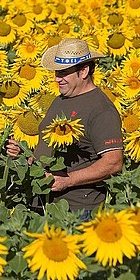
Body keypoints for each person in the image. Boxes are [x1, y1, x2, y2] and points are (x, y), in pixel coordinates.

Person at [34, 38, 124, 215]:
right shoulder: (61, 99)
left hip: (77, 209)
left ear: (83, 72)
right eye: (56, 72)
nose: (57, 79)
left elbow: (113, 162)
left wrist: (68, 180)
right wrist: (26, 157)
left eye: (63, 73)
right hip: (45, 202)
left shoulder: (101, 109)